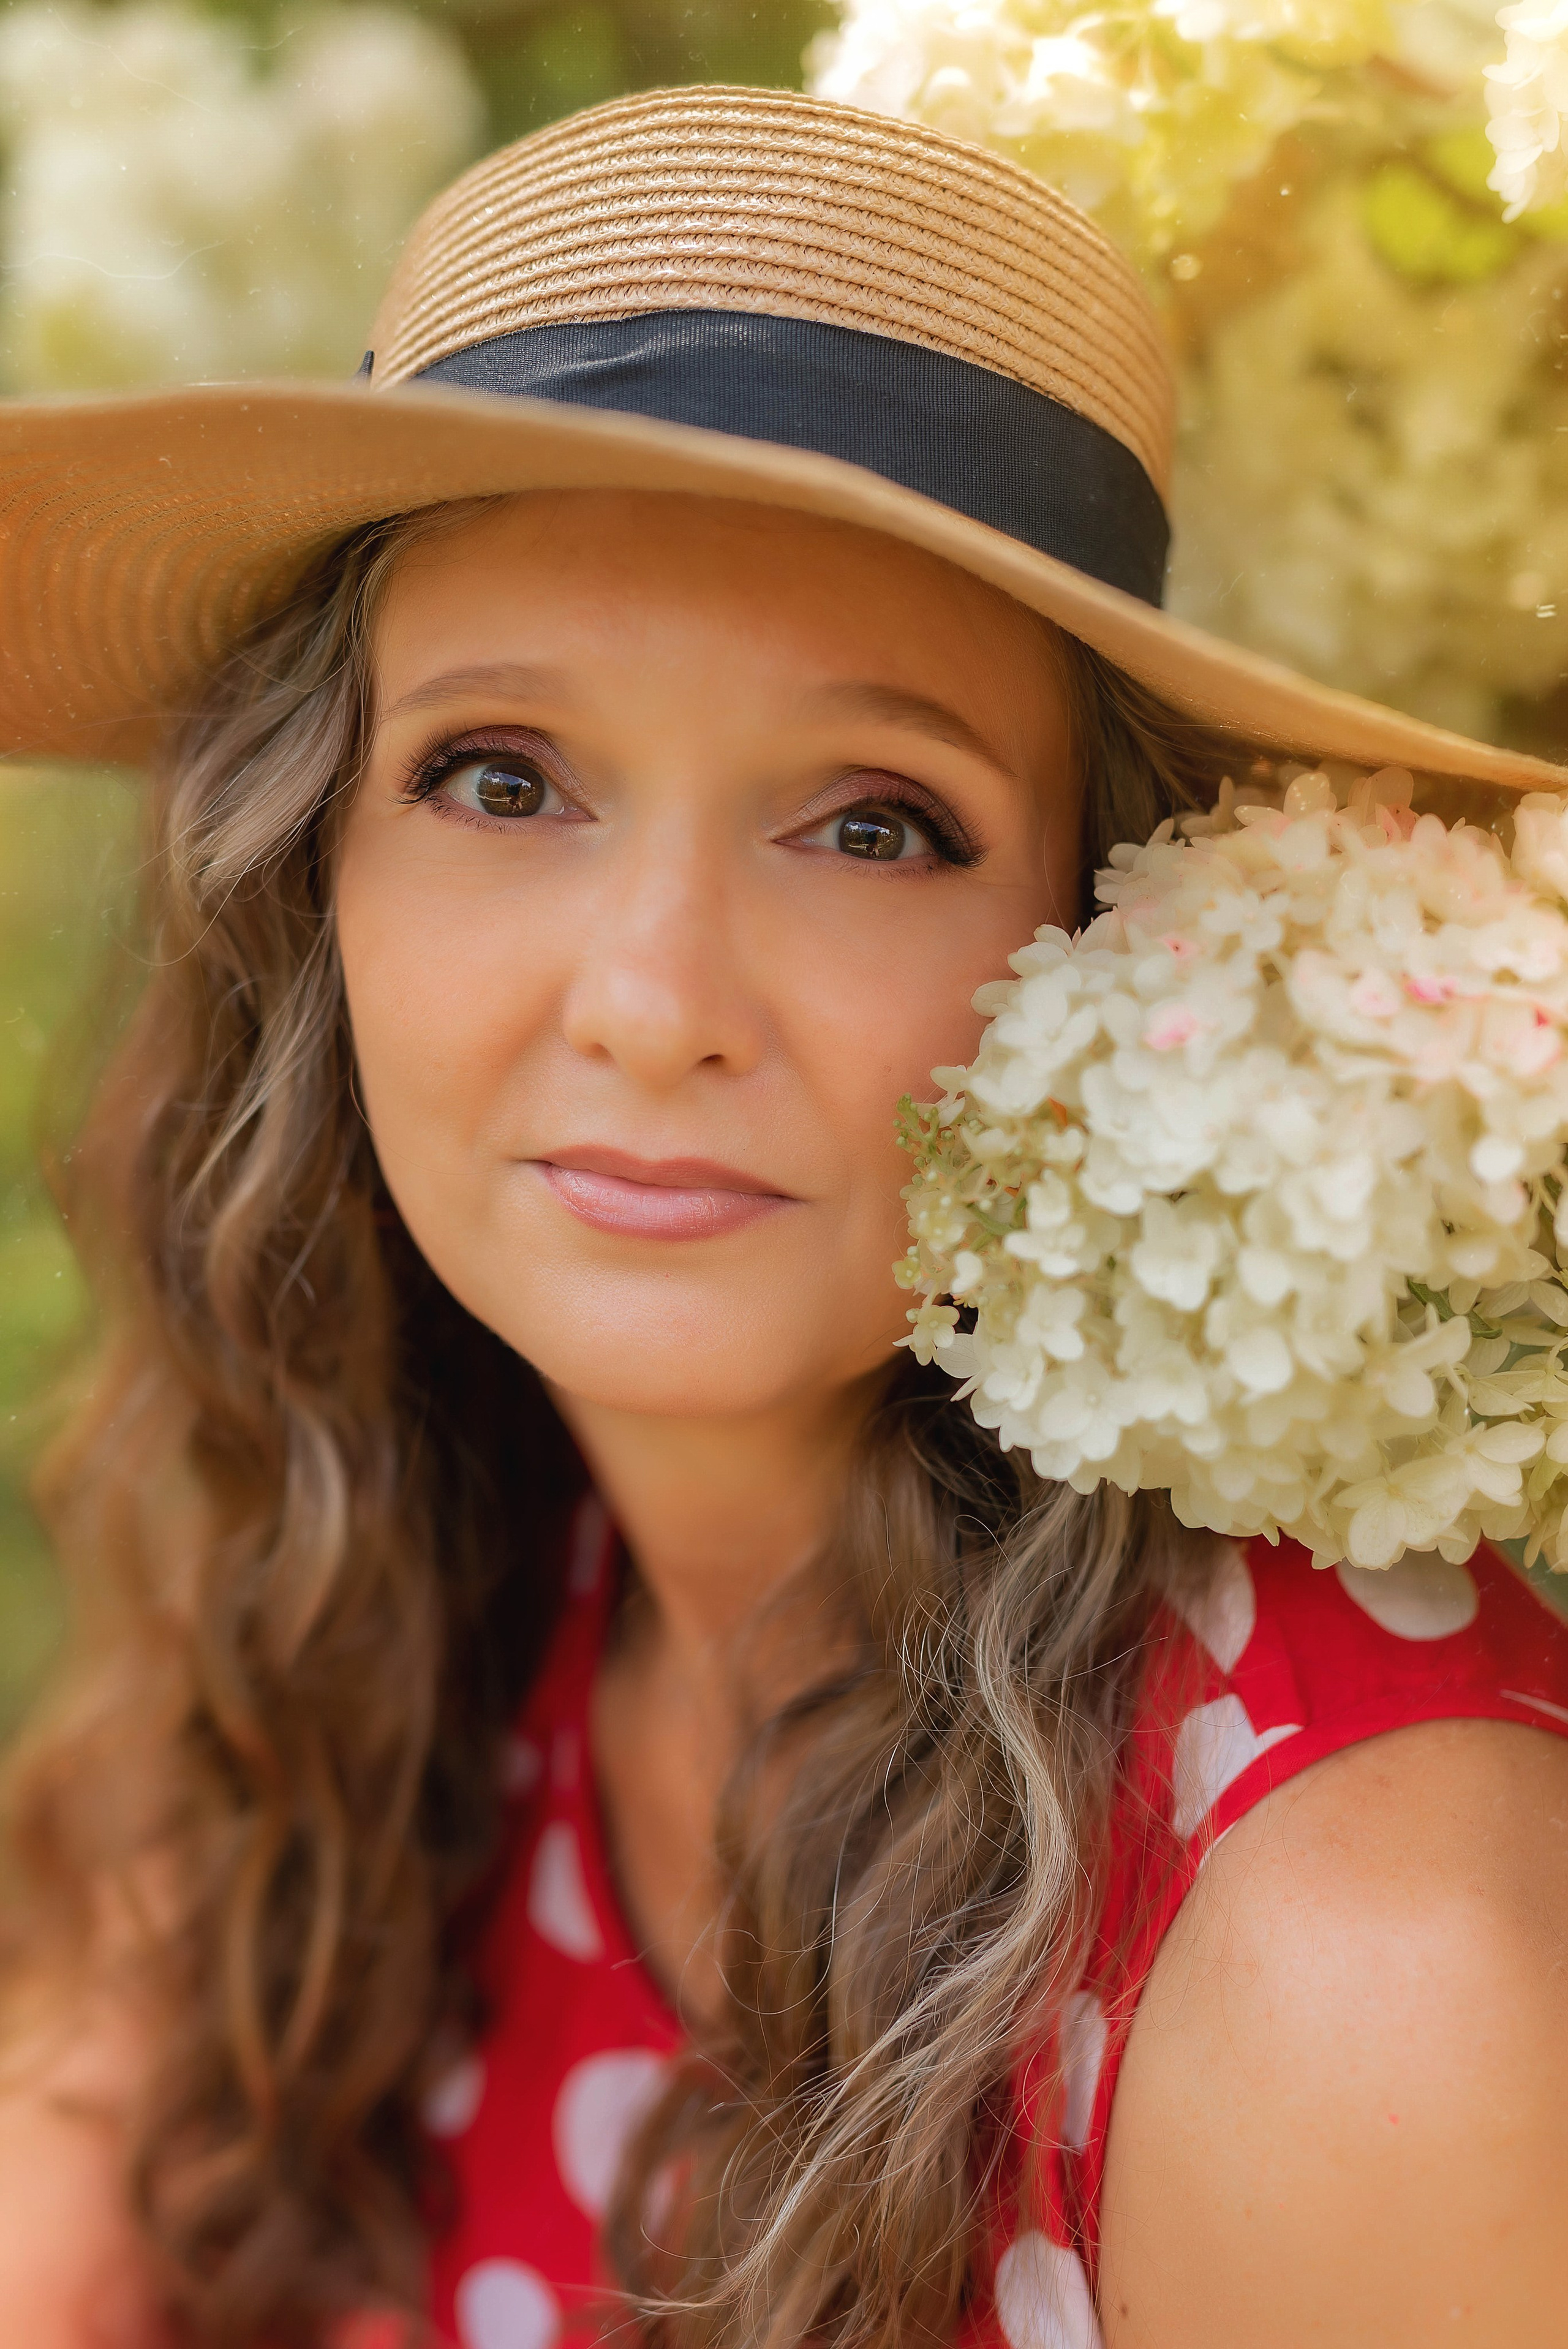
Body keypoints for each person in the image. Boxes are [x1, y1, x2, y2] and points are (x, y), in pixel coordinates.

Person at [0, 83, 1566, 2349]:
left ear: (1121, 938)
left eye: (872, 823)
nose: (651, 1005)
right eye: (502, 776)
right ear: (309, 878)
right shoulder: (384, 1585)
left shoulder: (1361, 1968)